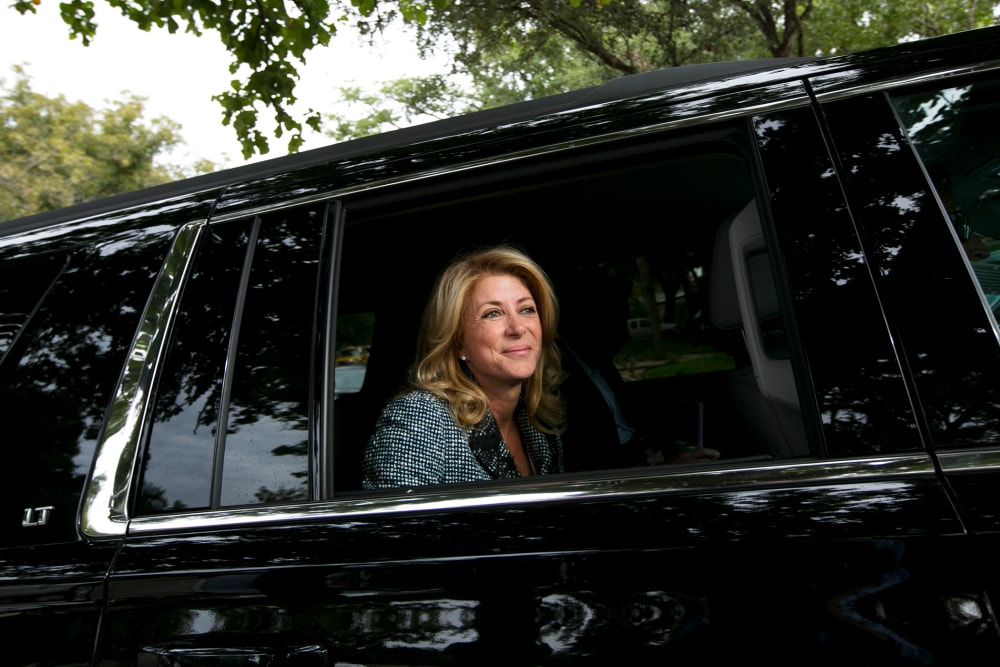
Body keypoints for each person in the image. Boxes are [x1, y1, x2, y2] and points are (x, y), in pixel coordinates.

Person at [362, 245, 565, 489]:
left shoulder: (539, 422)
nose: (518, 328)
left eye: (526, 309)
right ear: (458, 342)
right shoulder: (420, 417)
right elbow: (398, 526)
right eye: (493, 313)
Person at [556, 268, 719, 471]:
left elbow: (631, 423)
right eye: (615, 322)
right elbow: (591, 467)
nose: (624, 335)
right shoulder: (558, 381)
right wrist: (665, 470)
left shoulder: (600, 366)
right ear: (581, 318)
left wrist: (665, 449)